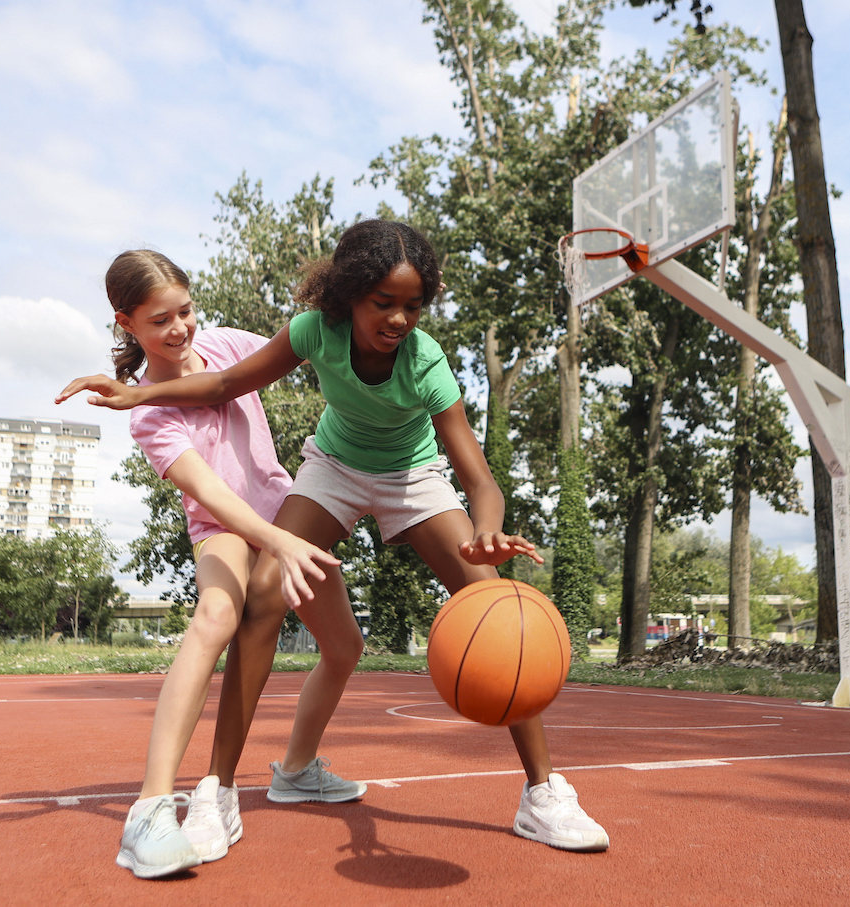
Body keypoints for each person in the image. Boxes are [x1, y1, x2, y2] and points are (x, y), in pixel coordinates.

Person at [57, 221, 610, 852]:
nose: (399, 318)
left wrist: (486, 533)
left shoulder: (426, 362)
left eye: (413, 305)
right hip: (334, 468)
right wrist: (135, 395)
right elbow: (222, 384)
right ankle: (218, 790)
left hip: (412, 475)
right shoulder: (314, 332)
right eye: (383, 303)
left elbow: (480, 482)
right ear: (348, 295)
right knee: (264, 594)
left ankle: (542, 793)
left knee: (497, 607)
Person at [63, 250, 366, 880]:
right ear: (126, 323)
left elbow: (306, 340)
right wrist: (277, 541)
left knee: (344, 647)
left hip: (285, 511)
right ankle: (149, 809)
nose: (179, 329)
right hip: (225, 530)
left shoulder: (228, 345)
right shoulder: (146, 409)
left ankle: (298, 770)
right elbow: (213, 495)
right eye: (159, 321)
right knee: (217, 616)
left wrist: (362, 290)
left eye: (185, 311)